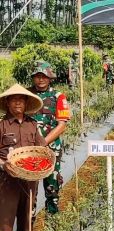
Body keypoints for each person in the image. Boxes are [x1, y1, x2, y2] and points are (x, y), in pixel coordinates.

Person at [0, 84, 45, 231]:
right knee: (5, 223)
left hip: (29, 180)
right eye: (14, 100)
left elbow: (42, 149)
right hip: (6, 181)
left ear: (26, 103)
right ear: (7, 102)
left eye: (21, 100)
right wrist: (3, 164)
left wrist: (43, 162)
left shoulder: (32, 124)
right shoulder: (2, 125)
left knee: (27, 223)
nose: (18, 103)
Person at [28, 60, 71, 214]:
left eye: (44, 76)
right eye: (38, 76)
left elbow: (62, 125)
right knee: (29, 190)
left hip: (51, 149)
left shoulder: (58, 96)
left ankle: (52, 227)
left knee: (51, 187)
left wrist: (43, 142)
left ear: (50, 78)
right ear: (33, 77)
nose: (41, 79)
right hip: (29, 150)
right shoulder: (26, 95)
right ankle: (28, 230)